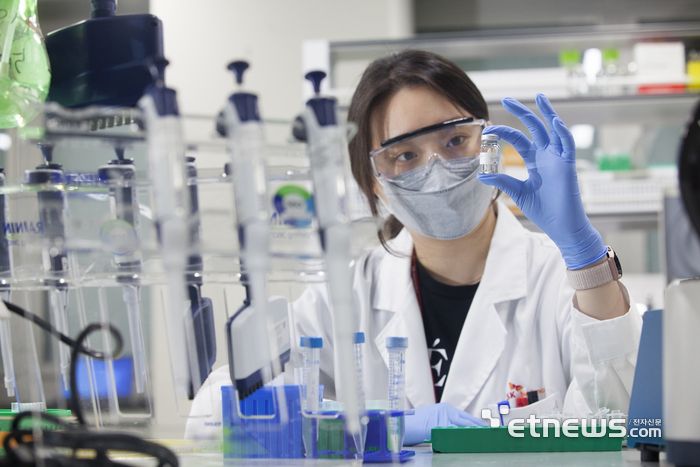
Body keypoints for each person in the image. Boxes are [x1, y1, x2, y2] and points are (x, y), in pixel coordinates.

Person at [187, 50, 642, 445]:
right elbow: (211, 417)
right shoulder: (348, 294)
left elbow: (628, 420)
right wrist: (375, 427)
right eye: (405, 155)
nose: (437, 167)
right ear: (373, 183)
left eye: (455, 140)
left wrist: (585, 256)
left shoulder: (557, 279)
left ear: (488, 144)